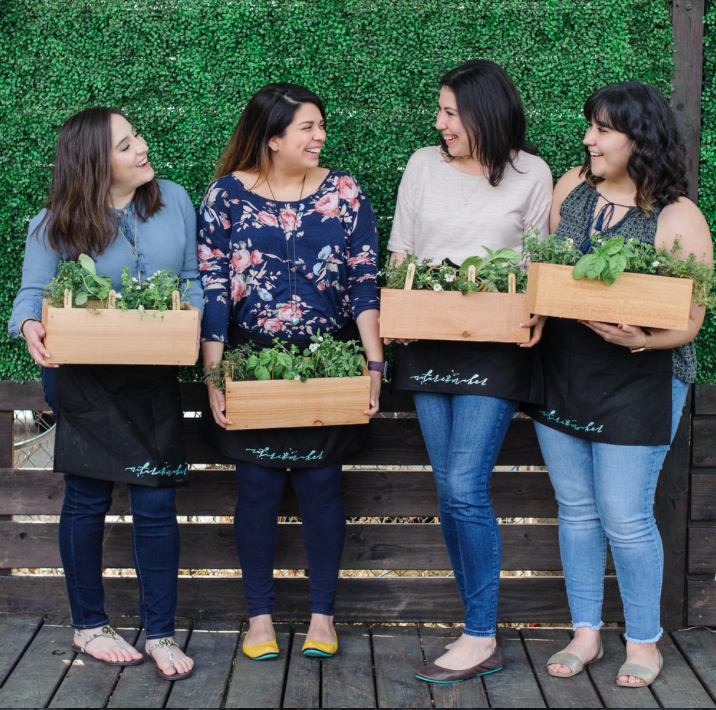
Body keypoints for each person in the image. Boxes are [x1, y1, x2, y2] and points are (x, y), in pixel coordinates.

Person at [523, 82, 713, 687]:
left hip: (642, 377)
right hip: (566, 370)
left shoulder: (679, 217)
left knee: (626, 516)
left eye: (602, 130)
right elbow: (549, 273)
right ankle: (586, 633)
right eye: (590, 126)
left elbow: (691, 322)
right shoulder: (572, 188)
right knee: (576, 510)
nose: (588, 139)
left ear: (640, 138)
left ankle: (643, 640)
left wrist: (641, 338)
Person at [9, 107, 202, 680]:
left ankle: (161, 632)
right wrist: (30, 325)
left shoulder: (174, 200)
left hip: (152, 372)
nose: (142, 147)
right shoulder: (54, 223)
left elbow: (192, 279)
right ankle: (89, 626)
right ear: (94, 163)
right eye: (125, 145)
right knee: (87, 498)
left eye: (136, 135)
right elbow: (31, 294)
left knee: (156, 502)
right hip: (83, 377)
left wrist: (193, 320)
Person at [198, 83, 382, 661]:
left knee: (322, 485)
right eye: (308, 127)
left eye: (321, 124)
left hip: (329, 362)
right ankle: (259, 619)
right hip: (254, 362)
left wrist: (374, 362)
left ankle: (323, 616)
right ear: (272, 138)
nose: (320, 135)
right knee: (256, 487)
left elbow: (364, 281)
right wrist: (214, 374)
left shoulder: (344, 191)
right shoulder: (226, 195)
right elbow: (213, 287)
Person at [386, 60, 552, 683]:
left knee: (463, 486)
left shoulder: (531, 173)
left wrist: (537, 313)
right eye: (441, 111)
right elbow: (402, 250)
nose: (440, 123)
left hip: (495, 345)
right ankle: (475, 629)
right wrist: (398, 309)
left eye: (451, 112)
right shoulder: (422, 165)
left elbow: (539, 264)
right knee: (449, 491)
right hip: (427, 339)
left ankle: (481, 635)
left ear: (484, 114)